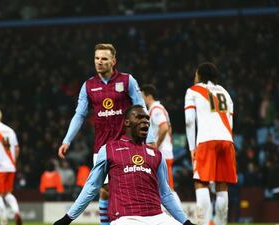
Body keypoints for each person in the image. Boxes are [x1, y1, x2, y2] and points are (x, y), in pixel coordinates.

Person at [54, 105, 195, 225]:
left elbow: (165, 194)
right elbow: (92, 186)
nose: (145, 121)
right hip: (126, 219)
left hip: (157, 218)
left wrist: (186, 222)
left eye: (147, 118)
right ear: (127, 122)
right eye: (139, 117)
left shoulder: (157, 155)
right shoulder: (109, 149)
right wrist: (68, 218)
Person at [58, 43, 145, 225]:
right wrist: (67, 140)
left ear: (113, 61)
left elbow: (141, 108)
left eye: (104, 58)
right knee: (104, 190)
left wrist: (149, 139)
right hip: (102, 147)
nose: (99, 62)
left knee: (128, 188)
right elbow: (79, 115)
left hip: (127, 144)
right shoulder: (88, 86)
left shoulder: (127, 81)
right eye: (97, 58)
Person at [185, 62, 237, 225]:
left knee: (201, 182)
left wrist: (192, 147)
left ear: (199, 76)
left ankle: (203, 222)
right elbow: (230, 120)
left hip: (206, 140)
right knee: (222, 186)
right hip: (227, 140)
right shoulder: (225, 93)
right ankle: (221, 223)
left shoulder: (193, 91)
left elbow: (189, 121)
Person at [141, 84, 182, 205]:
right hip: (165, 151)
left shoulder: (156, 110)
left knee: (168, 188)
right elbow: (169, 128)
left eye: (142, 96)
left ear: (148, 96)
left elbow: (164, 128)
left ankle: (181, 219)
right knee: (161, 187)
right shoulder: (160, 108)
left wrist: (156, 145)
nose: (141, 98)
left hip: (162, 153)